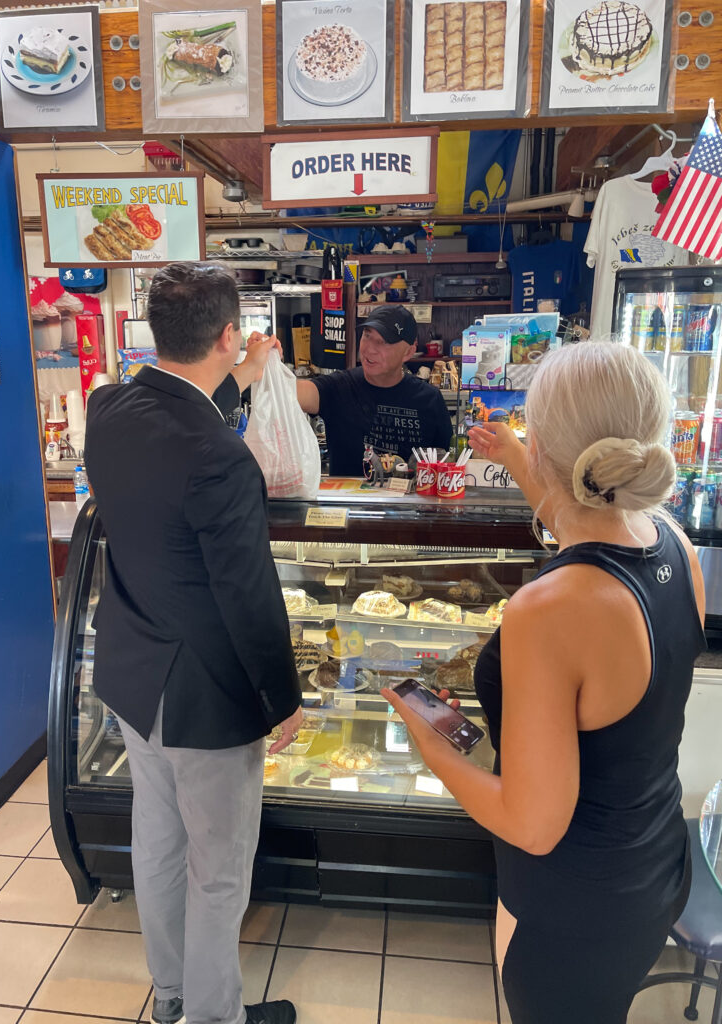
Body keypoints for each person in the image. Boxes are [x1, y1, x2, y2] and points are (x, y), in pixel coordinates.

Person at [383, 341, 706, 1024]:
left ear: (550, 450)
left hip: (574, 908)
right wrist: (514, 459)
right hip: (653, 867)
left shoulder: (553, 608)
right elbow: (578, 514)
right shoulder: (673, 544)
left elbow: (533, 826)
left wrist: (433, 744)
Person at [85, 263, 302, 1024]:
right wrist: (283, 700)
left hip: (132, 677)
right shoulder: (220, 459)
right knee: (219, 872)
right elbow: (249, 597)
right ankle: (216, 1019)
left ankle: (172, 997)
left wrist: (241, 375)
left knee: (160, 844)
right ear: (226, 332)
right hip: (206, 699)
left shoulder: (107, 407)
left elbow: (179, 411)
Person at [296, 305, 452, 476]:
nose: (369, 349)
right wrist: (265, 366)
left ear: (408, 352)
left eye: (383, 341)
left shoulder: (429, 399)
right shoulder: (339, 386)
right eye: (367, 335)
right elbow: (293, 394)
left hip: (407, 502)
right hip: (349, 502)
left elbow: (445, 465)